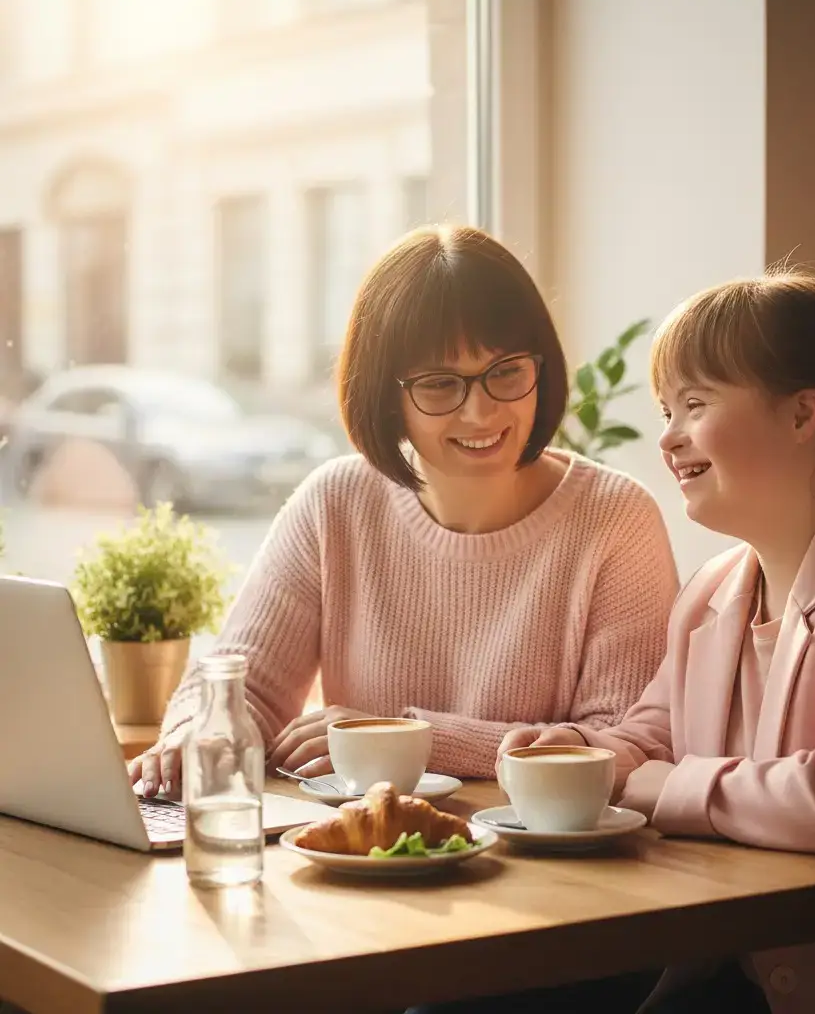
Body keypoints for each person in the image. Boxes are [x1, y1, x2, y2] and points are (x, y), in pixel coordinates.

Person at [498, 273, 815, 1014]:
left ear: (804, 412)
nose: (669, 436)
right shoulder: (713, 589)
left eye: (695, 404)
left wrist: (655, 785)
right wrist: (589, 757)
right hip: (742, 982)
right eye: (665, 410)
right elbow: (657, 731)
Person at [129, 225, 679, 799]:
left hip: (541, 866)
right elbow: (243, 685)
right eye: (441, 385)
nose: (481, 412)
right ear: (385, 397)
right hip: (366, 857)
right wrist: (193, 735)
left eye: (507, 371)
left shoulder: (615, 518)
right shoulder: (335, 503)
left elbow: (618, 749)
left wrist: (410, 739)